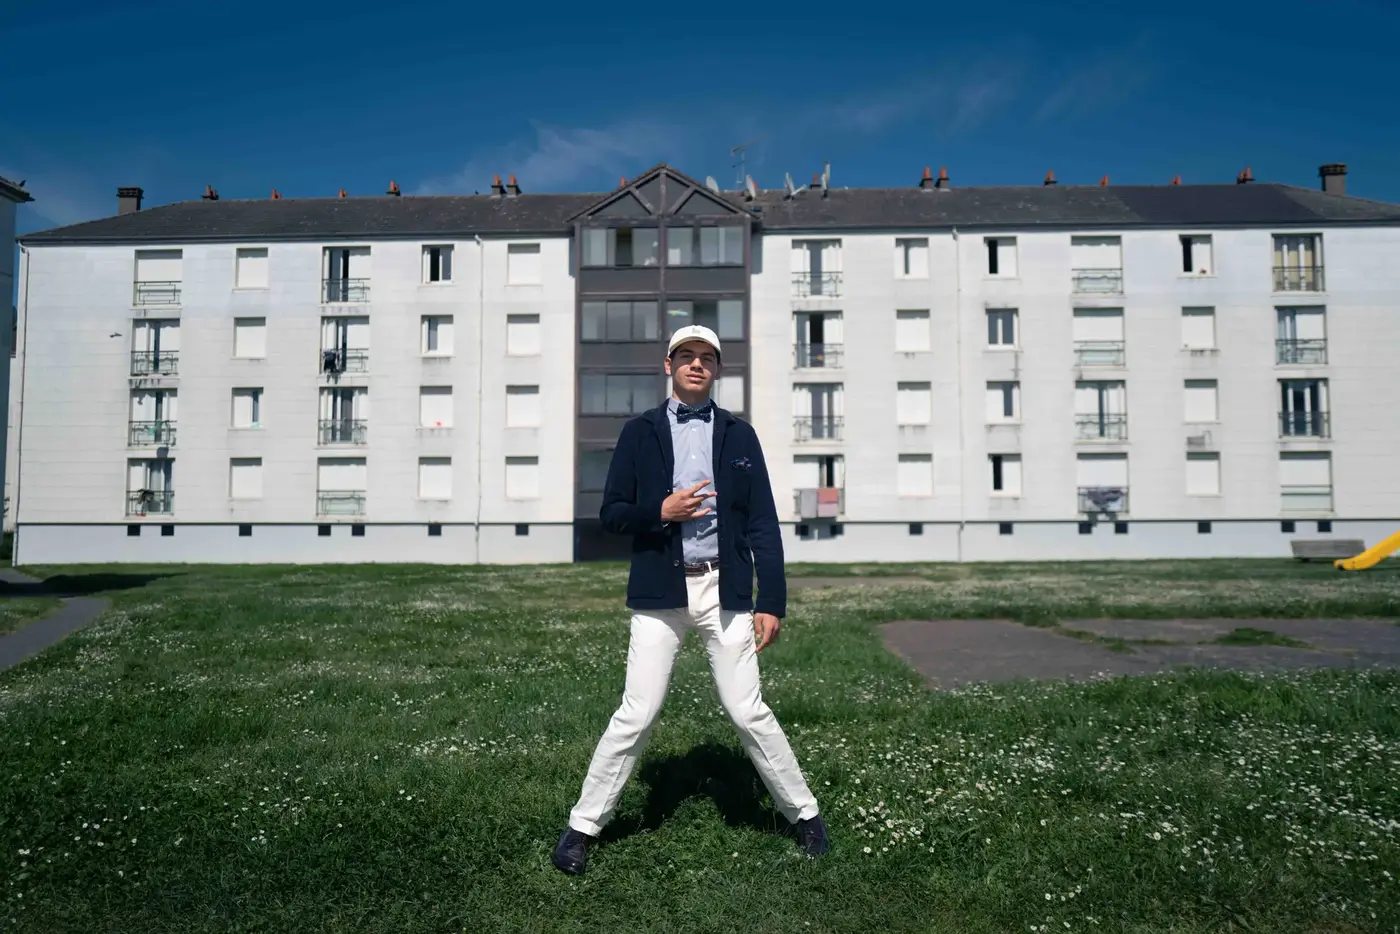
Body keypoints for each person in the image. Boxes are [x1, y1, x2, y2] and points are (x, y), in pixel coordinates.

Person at [551, 324, 829, 875]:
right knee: (637, 713)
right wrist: (661, 511)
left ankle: (805, 817)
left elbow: (763, 524)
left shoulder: (739, 435)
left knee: (748, 710)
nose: (697, 364)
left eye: (708, 357)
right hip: (662, 591)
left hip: (725, 590)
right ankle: (581, 829)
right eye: (686, 356)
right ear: (669, 365)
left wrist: (771, 600)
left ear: (718, 369)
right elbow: (611, 514)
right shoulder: (639, 433)